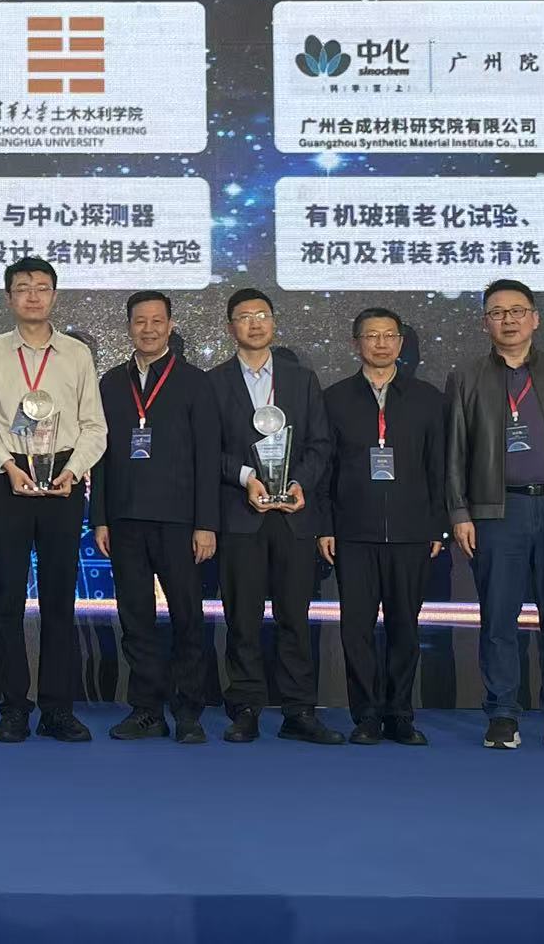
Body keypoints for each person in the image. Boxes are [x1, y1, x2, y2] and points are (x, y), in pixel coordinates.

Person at [446, 279, 544, 752]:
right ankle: (502, 713)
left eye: (517, 310)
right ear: (485, 322)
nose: (509, 320)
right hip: (498, 510)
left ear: (535, 318)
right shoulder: (467, 377)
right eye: (498, 312)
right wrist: (459, 511)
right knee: (499, 617)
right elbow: (454, 453)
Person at [0, 256, 106, 744]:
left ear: (54, 295)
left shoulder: (76, 353)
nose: (32, 295)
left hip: (63, 479)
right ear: (9, 297)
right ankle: (13, 707)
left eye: (42, 287)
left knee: (59, 598)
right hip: (9, 475)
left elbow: (94, 425)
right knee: (6, 596)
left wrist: (74, 470)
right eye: (23, 287)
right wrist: (7, 464)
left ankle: (57, 708)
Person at [208, 288, 341, 745]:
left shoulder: (302, 380)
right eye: (244, 316)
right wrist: (247, 477)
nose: (255, 323)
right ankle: (245, 708)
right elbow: (206, 449)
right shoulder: (214, 382)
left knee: (295, 619)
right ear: (231, 327)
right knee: (241, 619)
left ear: (273, 322)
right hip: (240, 515)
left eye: (262, 315)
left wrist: (298, 482)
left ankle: (298, 710)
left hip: (293, 516)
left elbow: (320, 444)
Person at [90, 291, 221, 744]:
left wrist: (206, 523)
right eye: (140, 321)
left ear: (170, 325)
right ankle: (146, 709)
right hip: (125, 519)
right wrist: (100, 517)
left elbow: (209, 456)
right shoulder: (110, 382)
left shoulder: (195, 382)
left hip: (179, 521)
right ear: (129, 326)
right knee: (135, 618)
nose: (148, 329)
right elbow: (100, 455)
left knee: (187, 616)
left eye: (157, 320)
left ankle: (188, 711)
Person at [318, 308, 445, 747]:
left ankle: (400, 714)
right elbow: (324, 469)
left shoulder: (427, 398)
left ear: (401, 343)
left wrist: (436, 526)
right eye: (371, 336)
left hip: (412, 531)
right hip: (353, 531)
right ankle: (367, 715)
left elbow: (439, 467)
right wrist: (325, 526)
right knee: (356, 629)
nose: (381, 343)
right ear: (356, 343)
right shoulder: (334, 399)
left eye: (389, 335)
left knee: (405, 627)